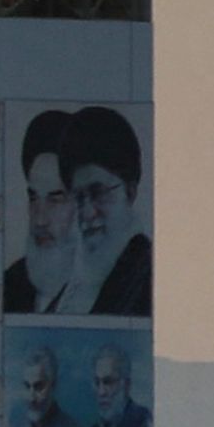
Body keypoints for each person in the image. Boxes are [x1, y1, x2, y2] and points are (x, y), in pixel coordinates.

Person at [60, 105, 152, 318]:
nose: (87, 213)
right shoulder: (71, 290)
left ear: (130, 191)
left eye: (98, 193)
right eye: (79, 198)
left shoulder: (147, 278)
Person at [2, 112, 79, 316]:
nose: (40, 219)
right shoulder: (10, 286)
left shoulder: (117, 290)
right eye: (34, 198)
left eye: (56, 199)